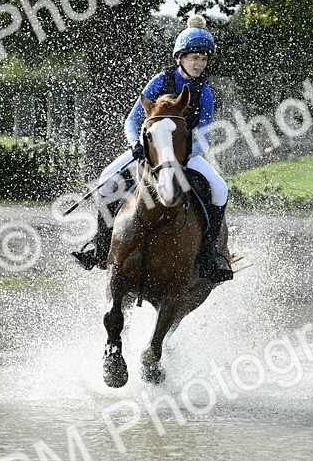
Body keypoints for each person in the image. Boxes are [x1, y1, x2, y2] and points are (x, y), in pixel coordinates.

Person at [72, 15, 233, 282]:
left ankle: (209, 256)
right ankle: (99, 247)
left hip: (185, 154)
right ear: (180, 57)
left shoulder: (205, 92)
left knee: (220, 189)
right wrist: (136, 144)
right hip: (150, 151)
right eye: (194, 58)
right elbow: (132, 119)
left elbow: (204, 135)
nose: (199, 64)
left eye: (204, 59)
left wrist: (183, 155)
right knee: (107, 180)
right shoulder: (161, 80)